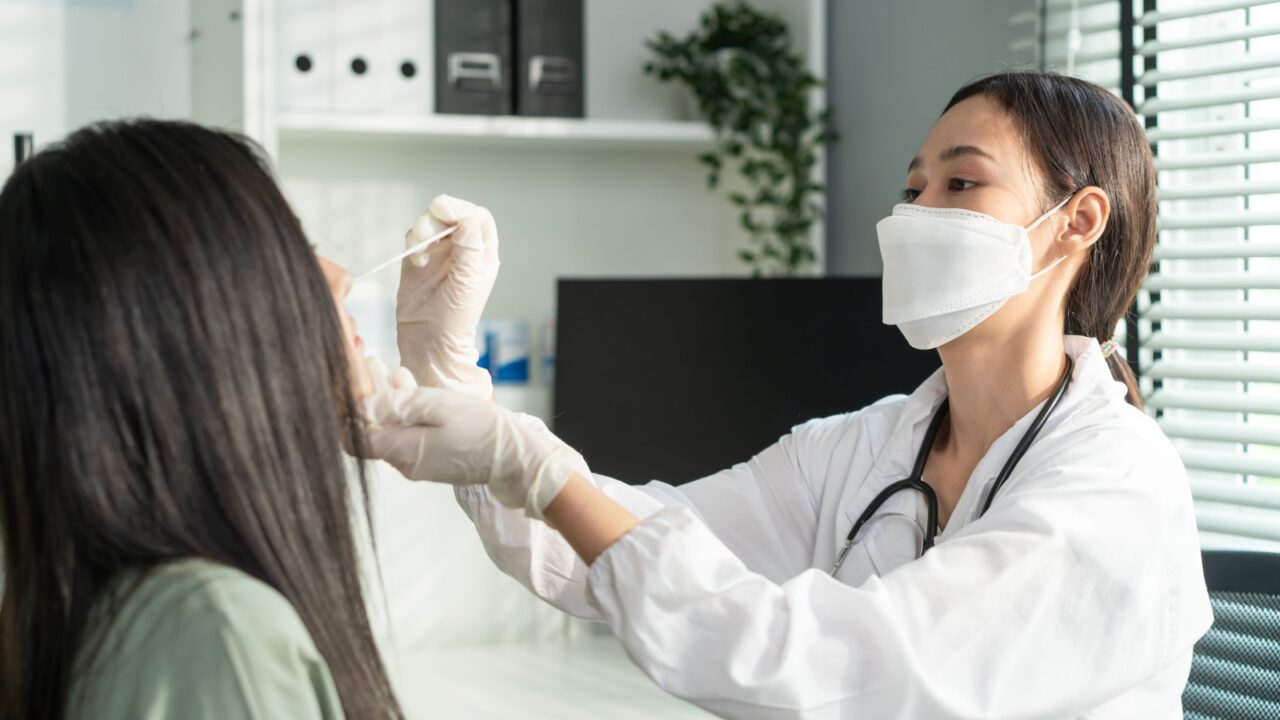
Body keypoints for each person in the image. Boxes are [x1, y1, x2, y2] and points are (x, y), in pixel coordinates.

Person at [360, 70, 1213, 718]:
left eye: (961, 184)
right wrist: (448, 373)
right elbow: (615, 552)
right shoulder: (862, 447)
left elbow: (837, 673)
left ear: (1078, 220)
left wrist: (541, 469)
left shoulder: (1115, 482)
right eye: (912, 188)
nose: (917, 213)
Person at [0, 120, 401, 719]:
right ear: (193, 327)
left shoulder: (121, 613)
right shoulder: (218, 631)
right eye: (292, 246)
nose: (337, 275)